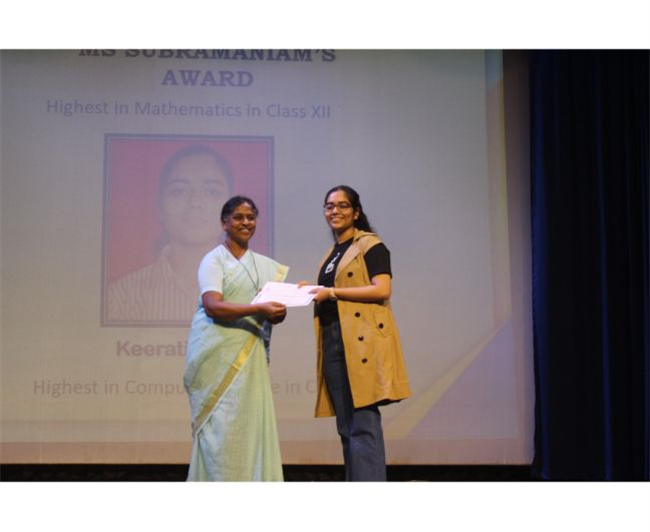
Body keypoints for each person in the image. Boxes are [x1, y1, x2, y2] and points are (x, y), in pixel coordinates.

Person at [307, 185, 411, 481]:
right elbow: (330, 291)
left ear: (356, 212)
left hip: (360, 341)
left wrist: (332, 292)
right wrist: (310, 290)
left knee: (363, 424)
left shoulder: (370, 245)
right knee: (346, 426)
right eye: (329, 206)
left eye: (342, 205)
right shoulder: (332, 254)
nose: (335, 211)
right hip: (333, 338)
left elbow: (382, 289)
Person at [183, 196, 288, 481]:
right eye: (239, 217)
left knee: (248, 428)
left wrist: (277, 312)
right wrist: (259, 309)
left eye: (251, 217)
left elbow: (269, 313)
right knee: (220, 430)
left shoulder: (263, 266)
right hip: (216, 357)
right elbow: (212, 306)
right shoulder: (214, 260)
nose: (246, 222)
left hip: (249, 358)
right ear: (224, 223)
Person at [106, 145, 233, 324]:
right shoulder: (122, 298)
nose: (195, 202)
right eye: (179, 191)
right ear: (161, 209)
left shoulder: (255, 292)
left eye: (212, 192)